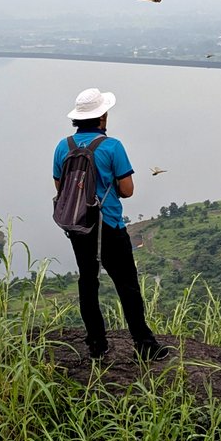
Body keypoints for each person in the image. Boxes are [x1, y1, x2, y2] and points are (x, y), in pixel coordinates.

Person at [53, 87, 169, 362]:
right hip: (109, 225)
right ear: (101, 117)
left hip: (79, 226)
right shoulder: (112, 146)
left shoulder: (63, 146)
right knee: (126, 284)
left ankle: (96, 344)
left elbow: (60, 186)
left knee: (88, 281)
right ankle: (144, 344)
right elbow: (127, 190)